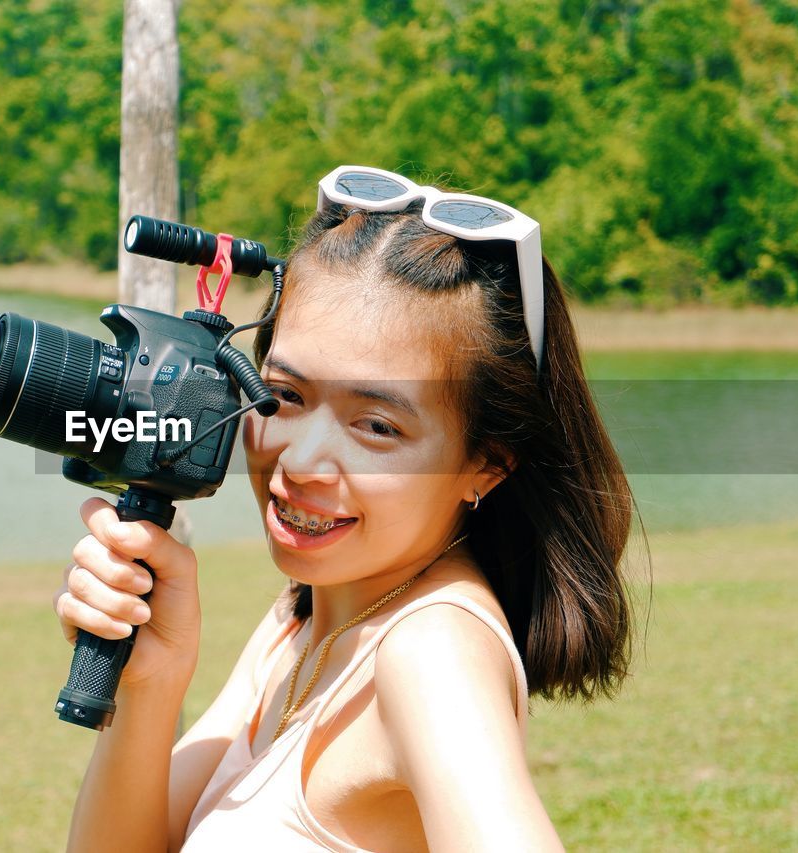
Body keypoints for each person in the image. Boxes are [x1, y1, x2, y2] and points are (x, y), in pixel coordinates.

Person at [53, 166, 636, 851]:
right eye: (285, 396)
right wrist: (153, 678)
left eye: (377, 427)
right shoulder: (300, 619)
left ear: (487, 463)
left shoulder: (430, 651)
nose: (299, 461)